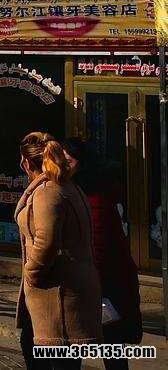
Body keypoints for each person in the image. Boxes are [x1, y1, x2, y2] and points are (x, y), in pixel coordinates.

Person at [15, 132, 102, 368]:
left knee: (50, 356)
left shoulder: (48, 192)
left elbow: (47, 241)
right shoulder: (68, 186)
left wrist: (32, 273)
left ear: (27, 163)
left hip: (57, 293)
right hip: (65, 289)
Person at [63, 138, 142, 369]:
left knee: (104, 342)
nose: (63, 167)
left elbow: (99, 247)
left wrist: (87, 282)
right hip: (96, 280)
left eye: (68, 161)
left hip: (104, 282)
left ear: (82, 163)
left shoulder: (93, 197)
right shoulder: (81, 191)